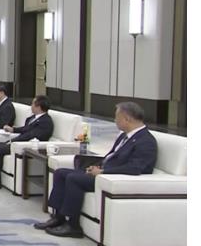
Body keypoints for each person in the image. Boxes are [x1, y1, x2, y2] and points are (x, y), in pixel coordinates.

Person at [36, 102, 157, 238]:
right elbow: (111, 157)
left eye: (117, 117)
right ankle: (58, 217)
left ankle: (73, 226)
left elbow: (135, 168)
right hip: (104, 172)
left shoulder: (146, 141)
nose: (115, 120)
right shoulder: (125, 136)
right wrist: (98, 166)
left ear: (127, 119)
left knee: (73, 179)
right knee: (60, 173)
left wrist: (103, 172)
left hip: (112, 177)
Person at [0, 95, 54, 190]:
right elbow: (25, 129)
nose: (31, 106)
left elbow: (31, 135)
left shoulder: (46, 121)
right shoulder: (33, 118)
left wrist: (13, 141)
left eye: (33, 104)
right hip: (17, 141)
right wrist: (13, 130)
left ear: (39, 107)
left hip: (24, 146)